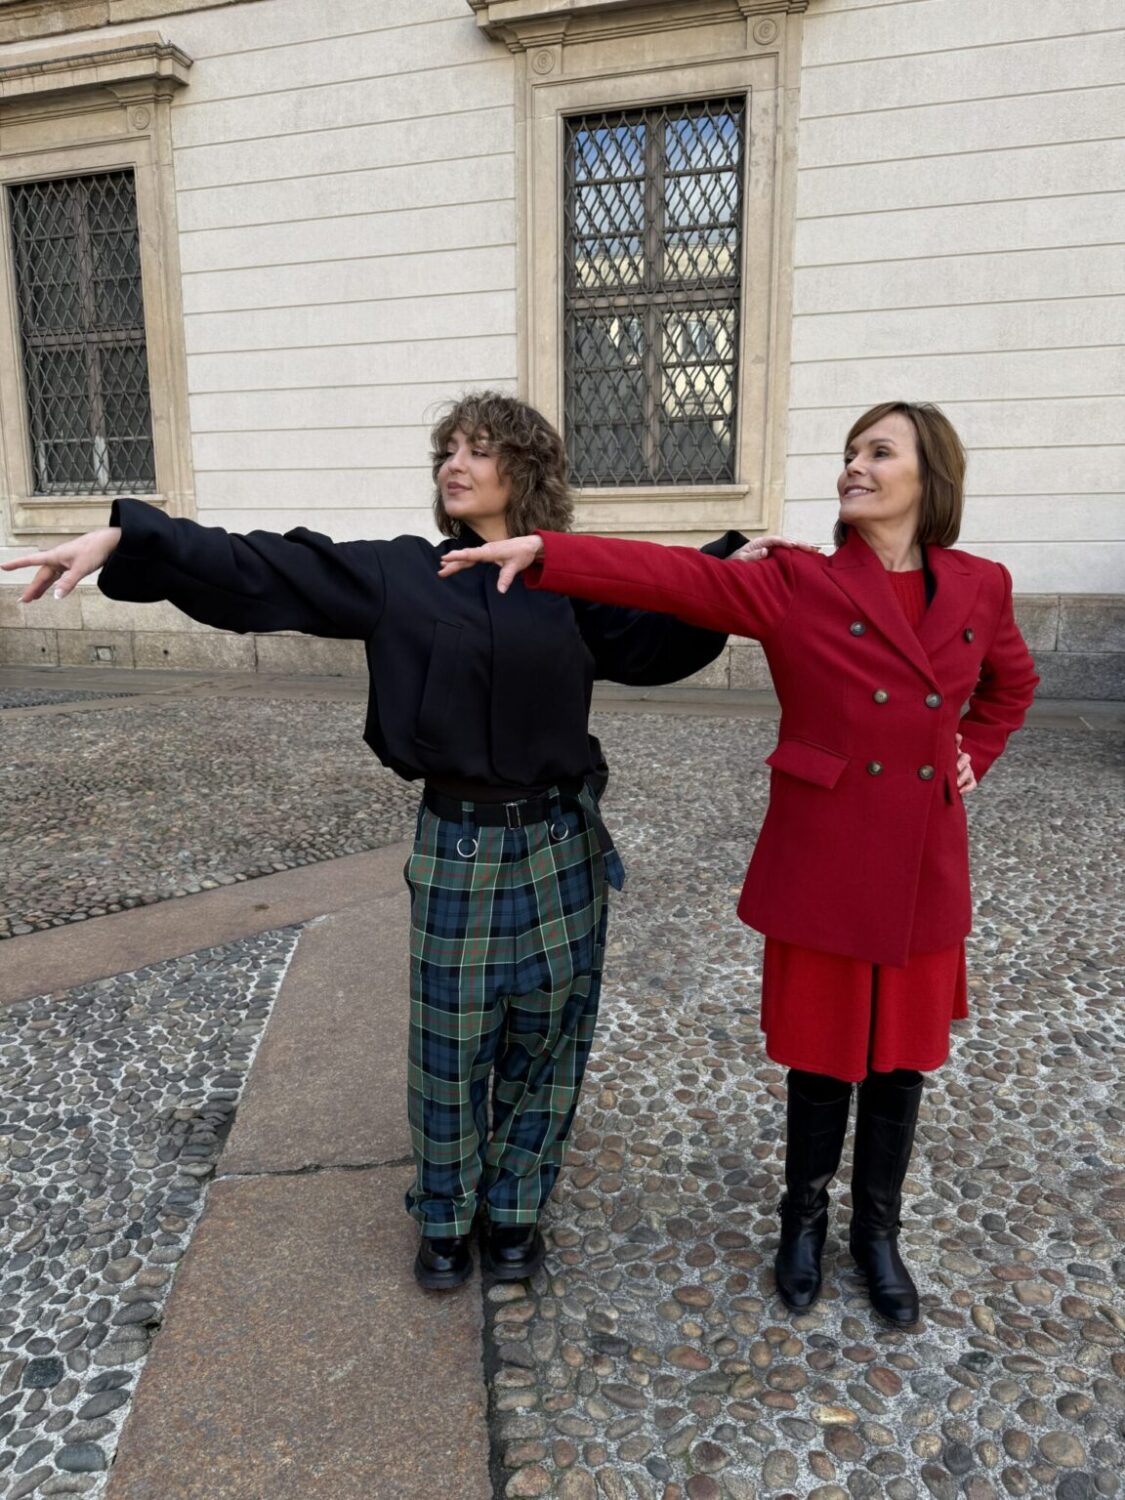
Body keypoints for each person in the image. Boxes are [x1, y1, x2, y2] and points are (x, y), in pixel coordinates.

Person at [2, 391, 796, 1292]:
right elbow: (265, 567)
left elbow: (657, 633)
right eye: (447, 450)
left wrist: (732, 570)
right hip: (460, 847)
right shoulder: (402, 574)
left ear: (525, 470)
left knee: (549, 1040)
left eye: (479, 449)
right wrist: (127, 539)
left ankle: (515, 1210)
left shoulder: (570, 581)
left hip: (561, 843)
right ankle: (446, 1217)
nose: (455, 464)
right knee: (450, 1051)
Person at [438, 401, 1040, 1324]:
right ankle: (801, 1221)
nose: (854, 466)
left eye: (879, 452)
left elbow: (1012, 683)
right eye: (849, 452)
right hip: (829, 855)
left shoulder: (980, 585)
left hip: (924, 860)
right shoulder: (797, 582)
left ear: (931, 478)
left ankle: (876, 1234)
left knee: (899, 1063)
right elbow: (673, 577)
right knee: (824, 1057)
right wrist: (548, 552)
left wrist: (975, 751)